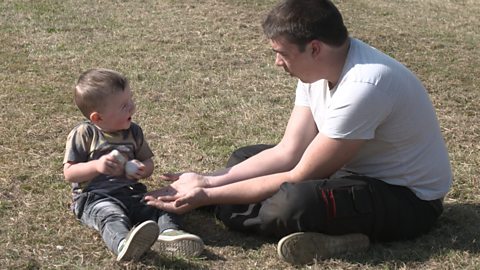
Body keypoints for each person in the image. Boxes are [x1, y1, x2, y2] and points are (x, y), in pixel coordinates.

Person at [145, 0, 452, 265]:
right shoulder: (315, 71)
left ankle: (337, 233)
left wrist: (210, 194)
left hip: (407, 201)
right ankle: (310, 225)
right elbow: (288, 151)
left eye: (282, 53)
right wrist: (209, 179)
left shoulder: (365, 85)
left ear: (314, 48)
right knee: (243, 159)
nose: (277, 62)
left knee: (291, 202)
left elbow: (300, 174)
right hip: (351, 173)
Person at [63, 68, 204, 262]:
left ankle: (169, 233)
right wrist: (96, 166)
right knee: (110, 217)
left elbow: (148, 163)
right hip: (95, 197)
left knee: (160, 205)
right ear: (98, 118)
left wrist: (142, 168)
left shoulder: (134, 131)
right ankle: (123, 244)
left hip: (132, 192)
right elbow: (70, 173)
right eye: (123, 106)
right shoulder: (85, 133)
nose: (132, 107)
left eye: (130, 100)